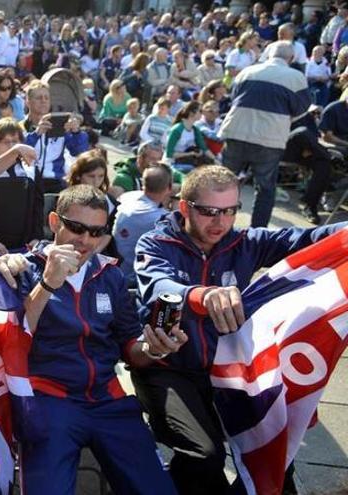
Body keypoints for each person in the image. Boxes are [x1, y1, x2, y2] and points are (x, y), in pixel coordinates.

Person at [132, 165, 346, 495]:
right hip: (168, 368)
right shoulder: (156, 243)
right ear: (184, 207)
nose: (220, 222)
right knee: (204, 457)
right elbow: (159, 287)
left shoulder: (245, 243)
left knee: (276, 455)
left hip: (230, 371)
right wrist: (203, 296)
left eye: (231, 211)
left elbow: (308, 239)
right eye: (209, 212)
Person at [17, 184, 184, 495]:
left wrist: (154, 348)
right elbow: (15, 337)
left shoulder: (111, 276)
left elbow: (130, 347)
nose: (85, 240)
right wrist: (47, 284)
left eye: (96, 232)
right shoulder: (24, 269)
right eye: (76, 228)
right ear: (55, 223)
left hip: (107, 399)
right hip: (49, 398)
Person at [219, 41, 310, 228]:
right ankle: (257, 233)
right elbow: (301, 109)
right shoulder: (296, 77)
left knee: (222, 184)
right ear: (291, 58)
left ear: (268, 55)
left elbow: (234, 97)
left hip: (236, 131)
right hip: (269, 139)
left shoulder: (247, 71)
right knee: (265, 189)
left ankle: (217, 225)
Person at [0, 118, 44, 255]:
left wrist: (36, 237)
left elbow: (38, 206)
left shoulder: (30, 171)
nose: (12, 147)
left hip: (26, 245)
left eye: (15, 141)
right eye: (6, 142)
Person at [21, 80, 90, 195]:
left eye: (46, 98)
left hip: (55, 181)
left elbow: (79, 151)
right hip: (27, 179)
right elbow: (18, 152)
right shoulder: (20, 126)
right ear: (28, 102)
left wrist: (76, 132)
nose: (43, 101)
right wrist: (36, 134)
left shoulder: (59, 125)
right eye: (39, 98)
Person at [113, 163, 172, 281]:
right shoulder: (163, 220)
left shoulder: (126, 197)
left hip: (114, 268)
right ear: (169, 188)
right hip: (133, 278)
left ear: (143, 183)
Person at [166, 101, 215, 173]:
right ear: (191, 113)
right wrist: (190, 153)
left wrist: (216, 161)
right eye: (200, 111)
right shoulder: (177, 130)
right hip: (172, 164)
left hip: (186, 162)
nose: (202, 113)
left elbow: (204, 148)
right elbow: (169, 154)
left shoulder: (195, 130)